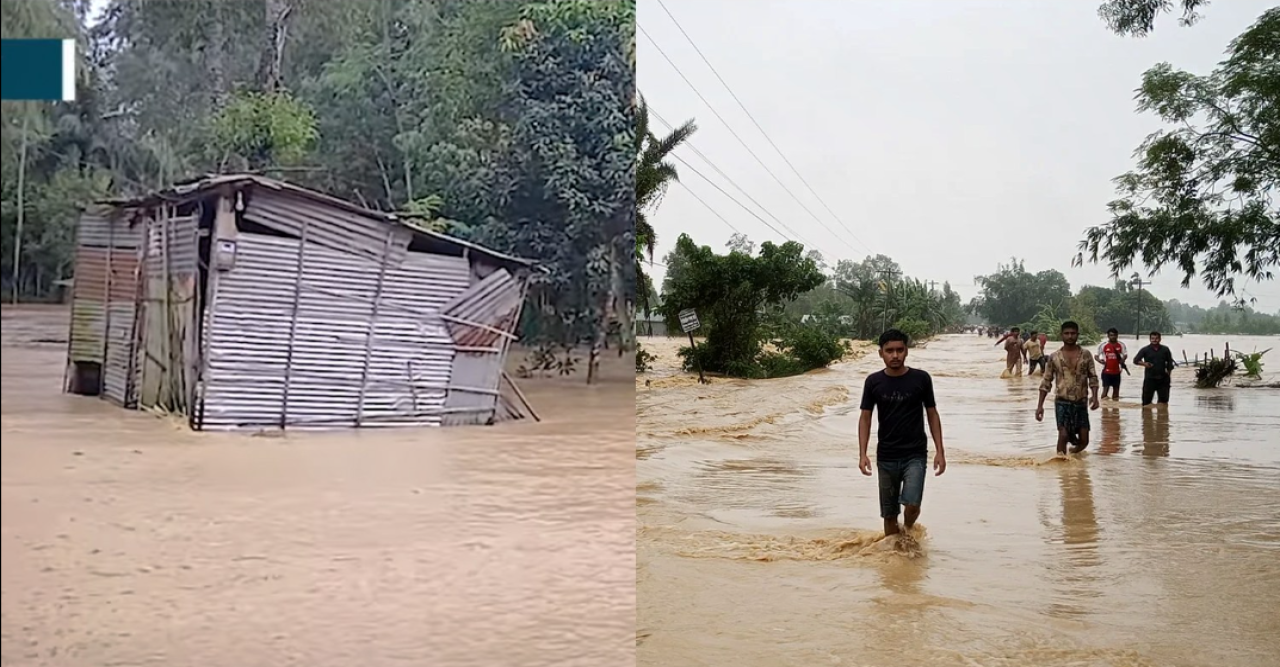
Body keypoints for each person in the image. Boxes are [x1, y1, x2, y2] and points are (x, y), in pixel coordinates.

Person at [858, 328, 947, 537]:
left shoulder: (921, 379)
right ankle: (893, 558)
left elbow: (932, 414)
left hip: (915, 454)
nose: (895, 355)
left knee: (913, 503)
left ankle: (907, 530)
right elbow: (865, 418)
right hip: (886, 456)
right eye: (889, 351)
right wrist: (862, 454)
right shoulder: (873, 382)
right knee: (889, 515)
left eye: (899, 350)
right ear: (881, 353)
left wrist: (940, 451)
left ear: (907, 351)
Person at [1035, 321, 1100, 454]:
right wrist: (1040, 406)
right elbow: (1046, 381)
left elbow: (1093, 376)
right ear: (1061, 335)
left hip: (1081, 402)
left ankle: (1073, 456)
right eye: (1067, 333)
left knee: (1084, 440)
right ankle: (1061, 469)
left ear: (1077, 335)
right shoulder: (1054, 357)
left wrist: (1095, 396)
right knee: (1063, 435)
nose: (1070, 336)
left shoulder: (1086, 355)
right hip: (1062, 402)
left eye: (1073, 333)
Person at [1133, 331, 1176, 406]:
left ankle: (1162, 416)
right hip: (1149, 379)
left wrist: (1168, 377)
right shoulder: (1145, 350)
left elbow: (1170, 364)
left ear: (1160, 339)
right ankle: (1147, 417)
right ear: (1150, 339)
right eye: (1152, 338)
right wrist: (1144, 364)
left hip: (1163, 380)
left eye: (1156, 338)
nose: (1154, 340)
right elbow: (1135, 360)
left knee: (1163, 404)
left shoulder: (1165, 350)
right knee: (1146, 404)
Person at [1094, 328, 1129, 400]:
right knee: (1105, 391)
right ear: (1108, 336)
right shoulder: (1103, 345)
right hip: (1106, 372)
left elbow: (1125, 354)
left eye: (1114, 335)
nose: (1113, 337)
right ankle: (1104, 408)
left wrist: (1123, 360)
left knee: (1116, 393)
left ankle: (1116, 408)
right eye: (1111, 335)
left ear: (1117, 335)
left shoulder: (1121, 345)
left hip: (1117, 372)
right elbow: (1096, 356)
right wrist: (1100, 361)